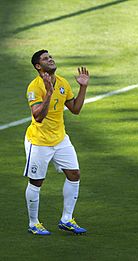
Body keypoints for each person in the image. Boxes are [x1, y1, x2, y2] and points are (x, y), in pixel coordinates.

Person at [23, 49, 89, 235]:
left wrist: (83, 87)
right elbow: (38, 117)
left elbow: (75, 109)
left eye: (50, 57)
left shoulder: (63, 82)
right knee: (37, 182)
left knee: (74, 174)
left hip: (60, 139)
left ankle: (67, 219)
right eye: (45, 58)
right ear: (38, 66)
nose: (50, 59)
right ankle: (33, 223)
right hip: (39, 141)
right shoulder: (34, 87)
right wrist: (49, 94)